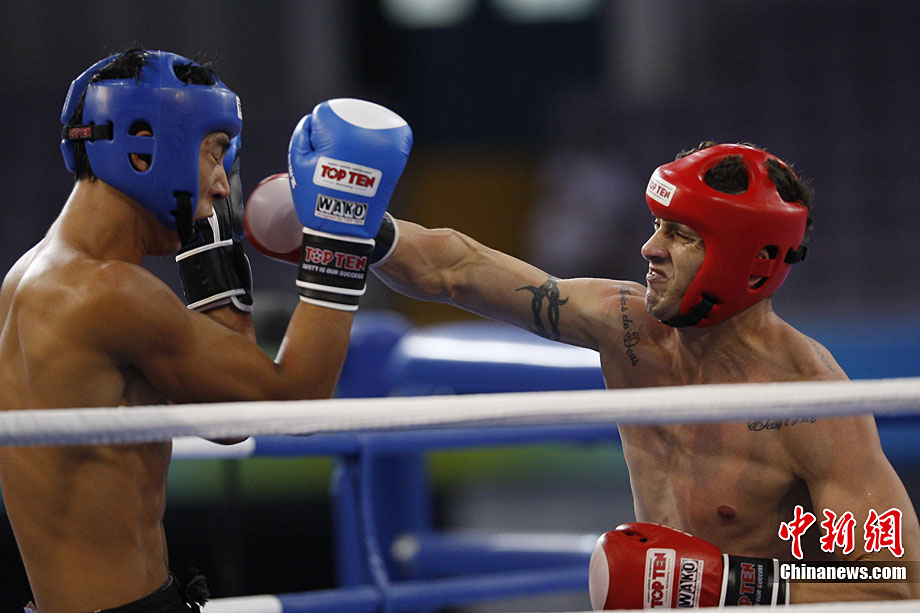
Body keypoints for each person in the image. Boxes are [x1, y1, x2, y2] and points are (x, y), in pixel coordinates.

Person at [243, 140, 920, 607]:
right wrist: (357, 230)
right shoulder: (628, 328)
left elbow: (896, 586)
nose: (650, 248)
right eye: (658, 225)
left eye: (682, 235)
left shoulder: (811, 403)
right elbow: (459, 269)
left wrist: (728, 587)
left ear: (749, 260)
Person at [0, 49, 412, 612]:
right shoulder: (109, 293)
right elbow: (295, 402)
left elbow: (228, 420)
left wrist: (211, 255)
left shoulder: (32, 275)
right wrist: (340, 242)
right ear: (145, 148)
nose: (222, 185)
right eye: (215, 153)